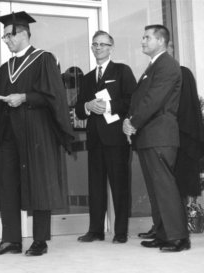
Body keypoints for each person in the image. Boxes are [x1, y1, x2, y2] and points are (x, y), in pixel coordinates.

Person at [0, 11, 74, 256]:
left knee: (39, 185)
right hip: (9, 135)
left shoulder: (44, 59)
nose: (6, 41)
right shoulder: (7, 68)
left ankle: (39, 241)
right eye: (4, 38)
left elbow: (54, 96)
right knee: (9, 185)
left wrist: (24, 97)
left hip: (37, 135)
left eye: (9, 36)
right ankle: (10, 240)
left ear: (23, 33)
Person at [123, 24, 190, 252]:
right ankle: (163, 234)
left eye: (147, 37)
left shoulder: (167, 65)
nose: (142, 41)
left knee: (164, 187)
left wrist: (132, 121)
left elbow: (153, 99)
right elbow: (141, 99)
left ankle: (178, 237)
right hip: (149, 135)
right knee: (155, 189)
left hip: (159, 135)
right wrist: (129, 119)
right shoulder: (154, 65)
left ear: (161, 41)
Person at [137, 41, 204, 240]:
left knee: (171, 188)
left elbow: (186, 109)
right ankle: (161, 228)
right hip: (161, 137)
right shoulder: (154, 72)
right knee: (159, 187)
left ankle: (172, 232)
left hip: (177, 137)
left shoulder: (181, 72)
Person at [75, 31, 136, 244]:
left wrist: (108, 105)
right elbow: (79, 110)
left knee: (119, 186)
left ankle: (120, 232)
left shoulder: (122, 71)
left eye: (103, 44)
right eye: (95, 44)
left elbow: (132, 100)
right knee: (96, 187)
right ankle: (95, 230)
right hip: (95, 140)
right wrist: (87, 106)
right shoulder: (87, 78)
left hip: (116, 139)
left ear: (111, 47)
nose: (98, 47)